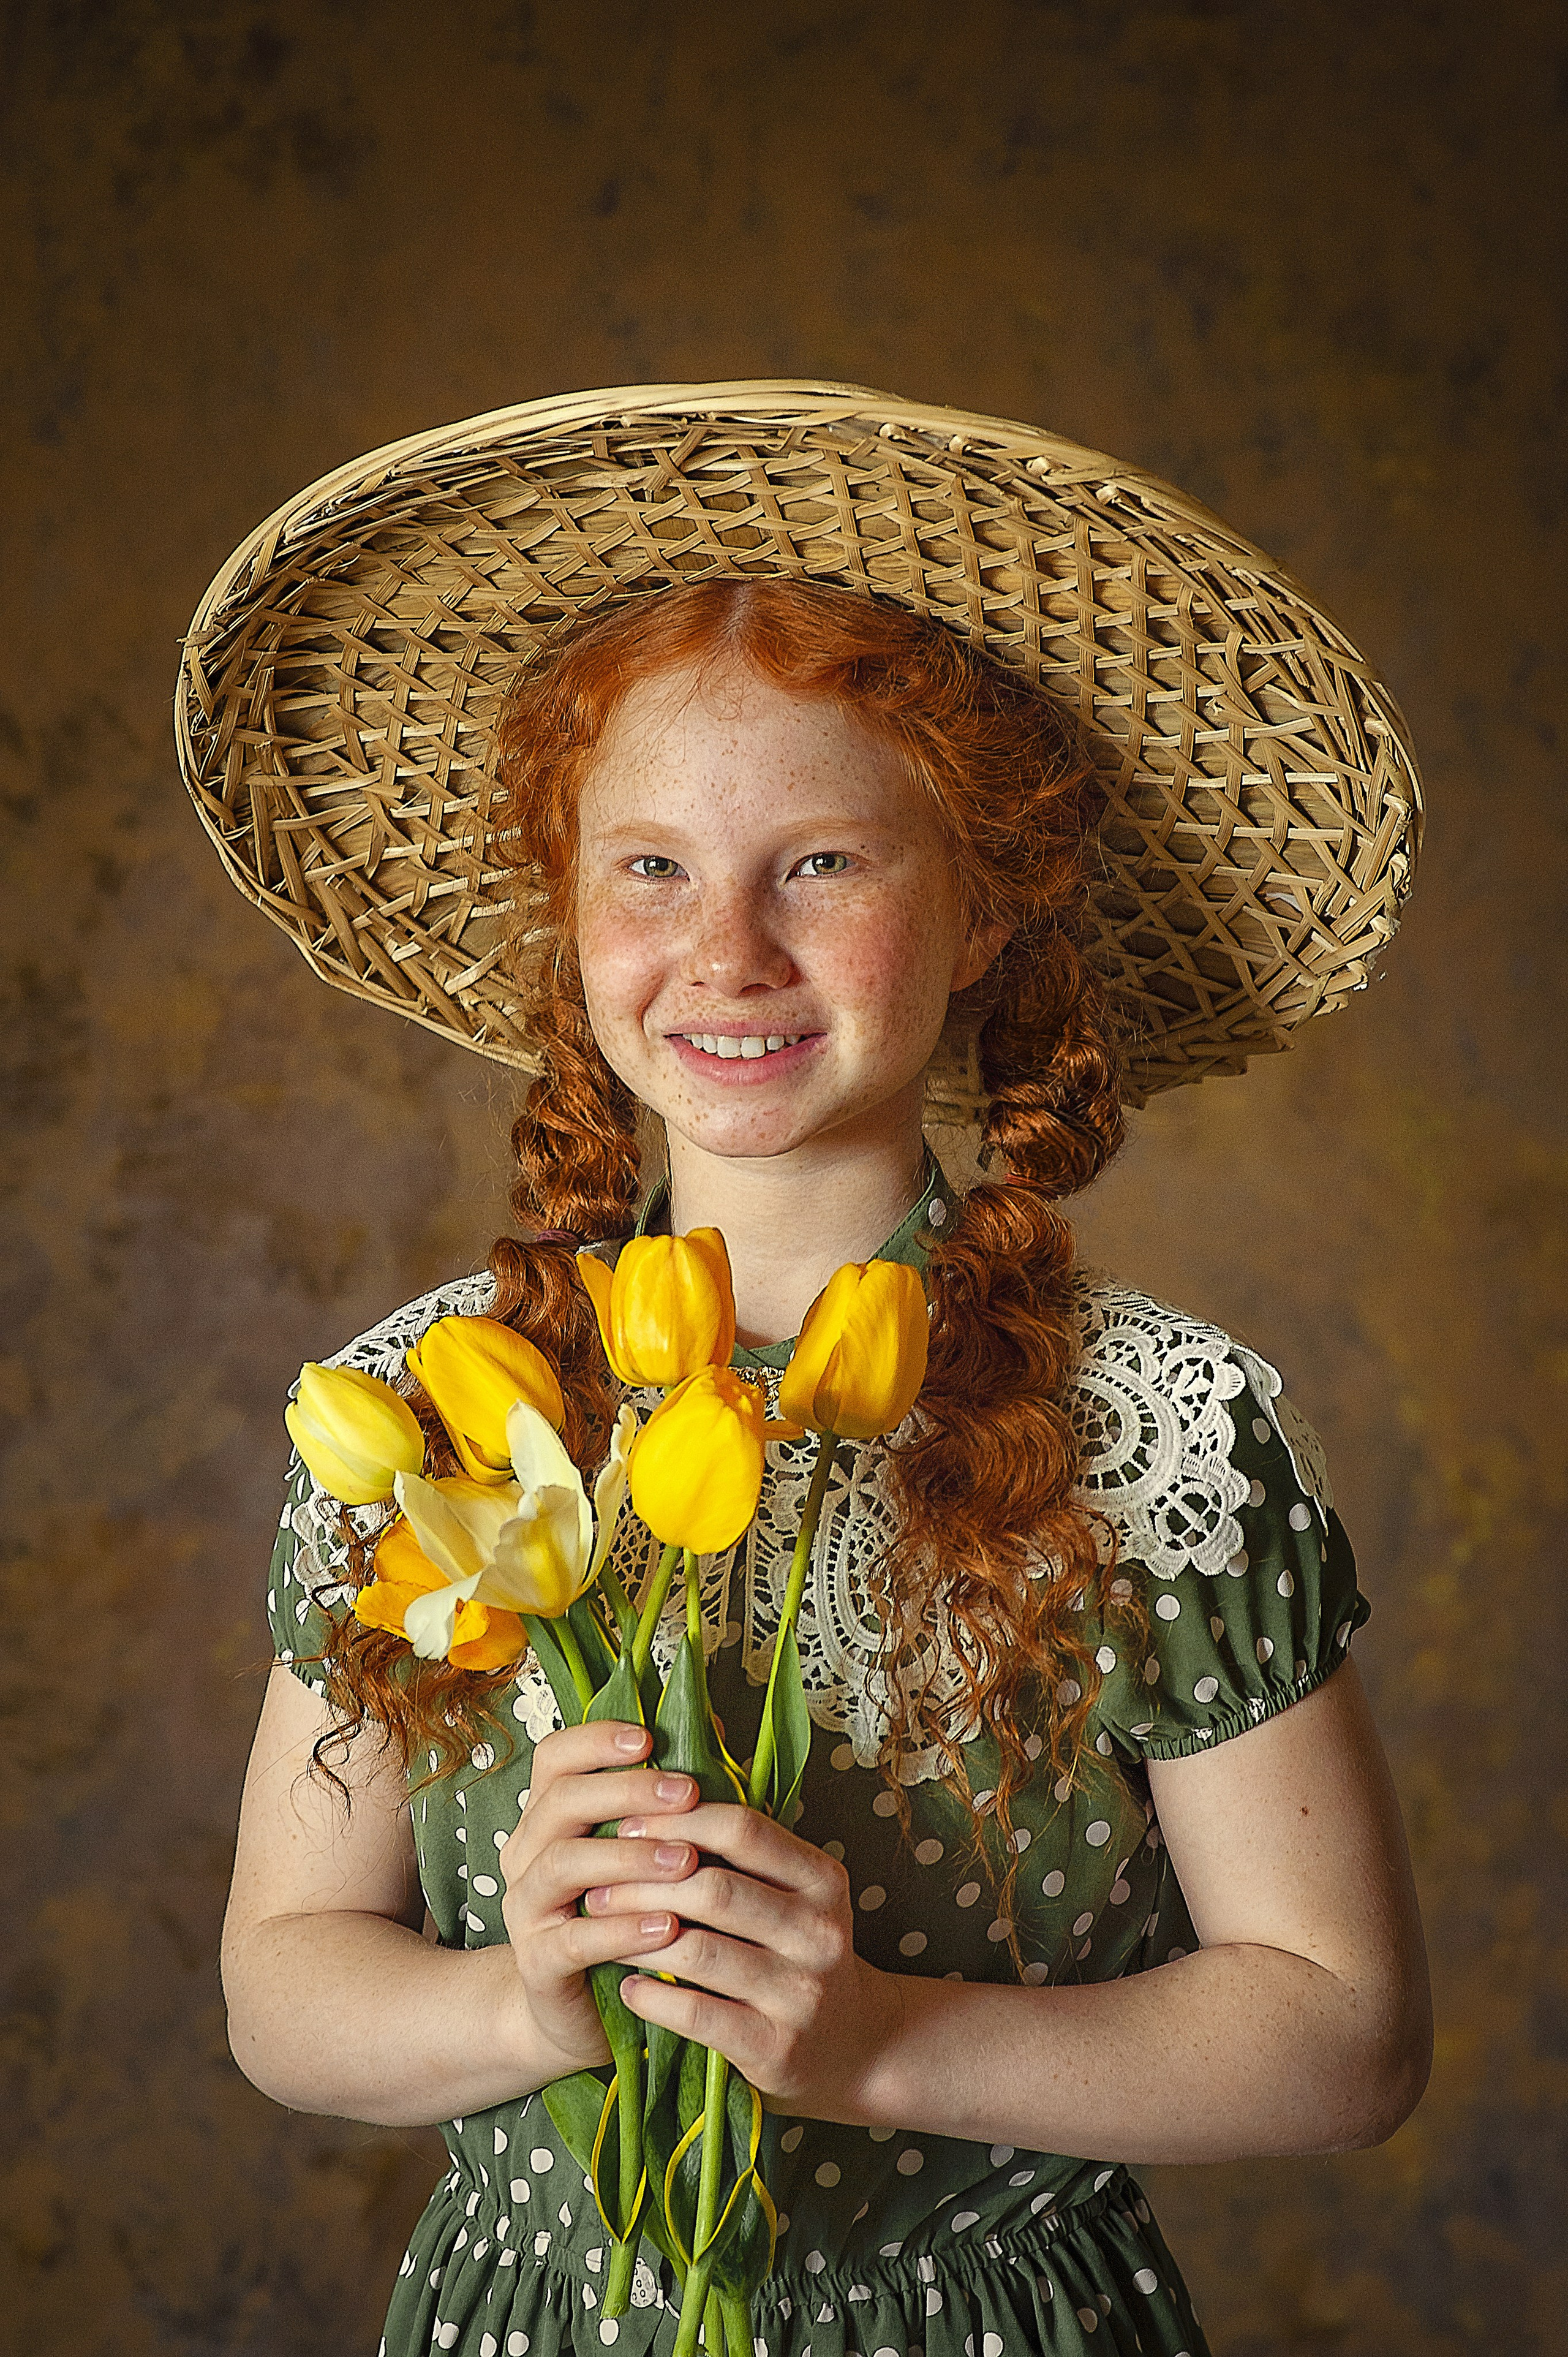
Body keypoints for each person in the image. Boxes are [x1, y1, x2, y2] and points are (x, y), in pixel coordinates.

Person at [198, 387, 1431, 2357]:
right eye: (653, 869)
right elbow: (282, 1987)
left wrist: (879, 2044)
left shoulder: (1165, 1437)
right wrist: (527, 2001)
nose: (728, 952)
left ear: (986, 906)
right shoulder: (441, 1409)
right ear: (568, 908)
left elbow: (1343, 2036)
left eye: (828, 864)